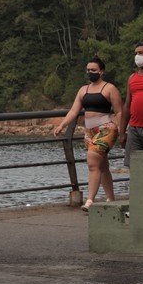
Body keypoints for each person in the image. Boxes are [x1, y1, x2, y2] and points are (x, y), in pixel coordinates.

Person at [54, 55, 123, 212]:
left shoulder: (109, 88)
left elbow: (119, 111)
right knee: (102, 166)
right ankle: (111, 199)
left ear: (101, 71)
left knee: (92, 162)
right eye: (88, 70)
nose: (90, 72)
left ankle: (90, 200)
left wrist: (121, 129)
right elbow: (74, 110)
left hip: (106, 129)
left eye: (93, 70)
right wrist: (62, 125)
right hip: (89, 131)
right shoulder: (83, 90)